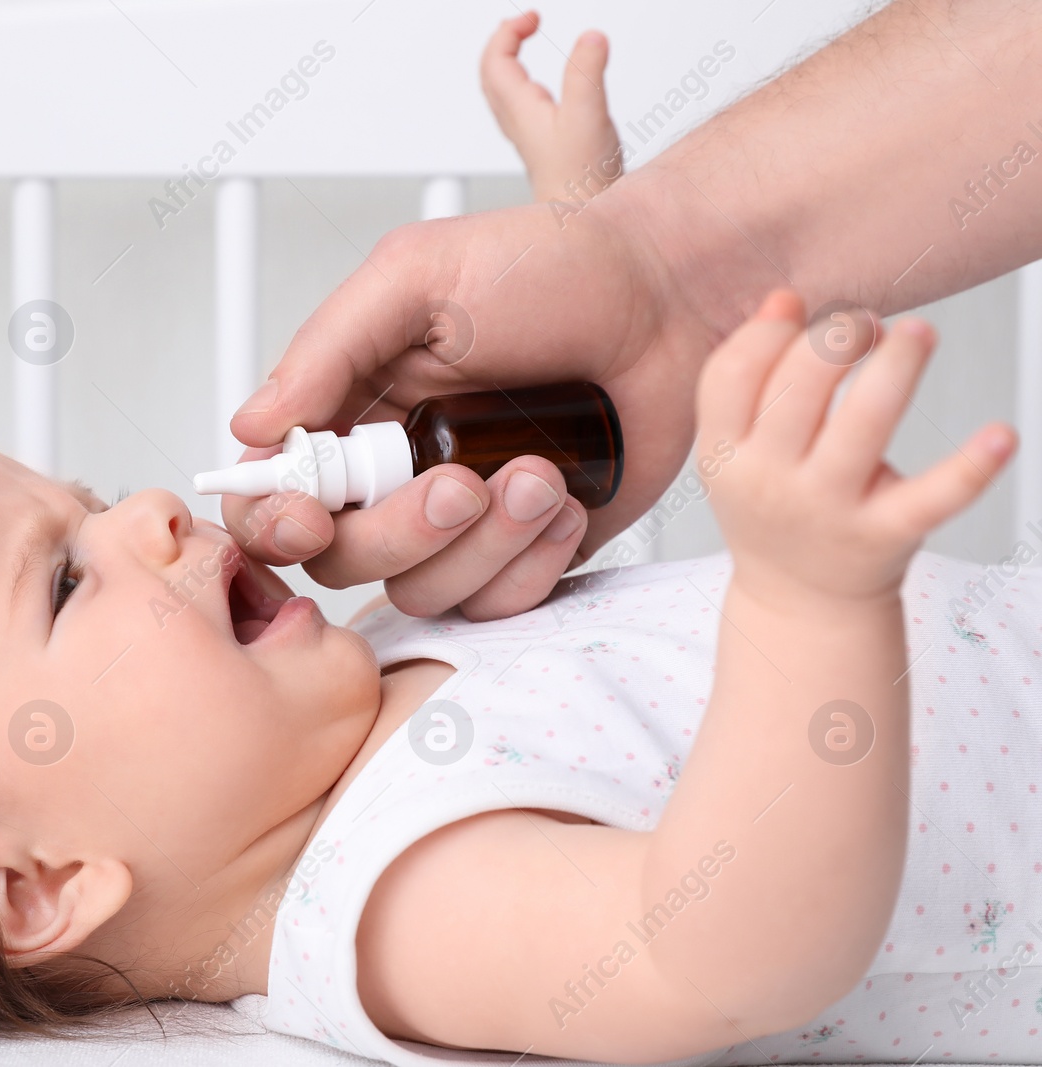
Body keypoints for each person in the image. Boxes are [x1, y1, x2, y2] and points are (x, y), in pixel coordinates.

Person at [0, 290, 1028, 1064]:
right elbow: (719, 956)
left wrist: (587, 248)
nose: (149, 516)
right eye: (63, 578)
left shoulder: (371, 678)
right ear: (30, 888)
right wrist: (811, 596)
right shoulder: (394, 895)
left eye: (85, 496)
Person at [222, 0, 1042, 621]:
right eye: (82, 578)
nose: (154, 516)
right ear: (91, 857)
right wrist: (810, 594)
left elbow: (599, 325)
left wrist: (615, 238)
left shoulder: (390, 651)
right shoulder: (398, 735)